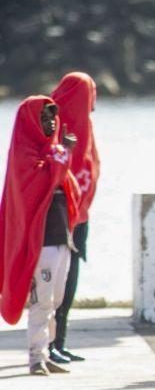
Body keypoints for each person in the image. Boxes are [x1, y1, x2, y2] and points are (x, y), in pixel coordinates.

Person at [0, 97, 79, 375]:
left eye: (52, 118)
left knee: (56, 301)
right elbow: (43, 181)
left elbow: (66, 187)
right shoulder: (25, 155)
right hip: (41, 243)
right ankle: (35, 357)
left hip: (61, 239)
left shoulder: (53, 153)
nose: (51, 123)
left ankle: (49, 351)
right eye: (44, 118)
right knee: (42, 301)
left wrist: (60, 153)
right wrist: (62, 153)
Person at [49, 72, 100, 363]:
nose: (93, 103)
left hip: (80, 214)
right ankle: (50, 342)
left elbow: (92, 167)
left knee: (71, 276)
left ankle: (60, 341)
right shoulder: (54, 123)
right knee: (55, 278)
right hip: (58, 214)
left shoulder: (86, 126)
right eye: (91, 95)